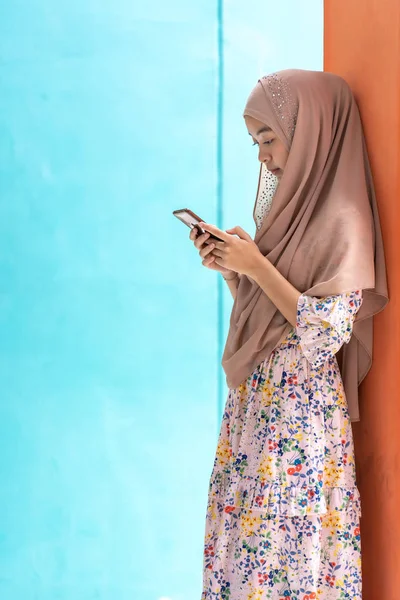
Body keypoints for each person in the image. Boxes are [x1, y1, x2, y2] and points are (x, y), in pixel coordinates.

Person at [189, 69, 388, 600]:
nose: (262, 156)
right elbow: (280, 325)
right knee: (246, 558)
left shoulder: (346, 223)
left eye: (269, 137)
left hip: (298, 423)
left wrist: (257, 267)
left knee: (287, 563)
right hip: (257, 412)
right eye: (255, 141)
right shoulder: (288, 219)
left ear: (311, 132)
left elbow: (323, 336)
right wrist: (237, 274)